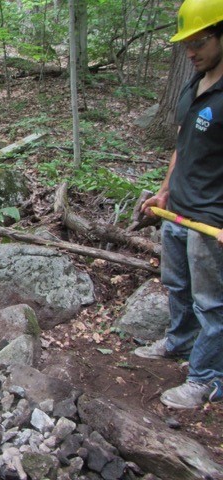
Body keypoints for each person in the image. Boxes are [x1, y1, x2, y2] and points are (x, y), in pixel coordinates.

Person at [134, 0, 223, 409]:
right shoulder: (196, 83)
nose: (190, 51)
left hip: (212, 218)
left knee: (211, 302)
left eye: (199, 41)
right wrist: (165, 191)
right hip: (179, 208)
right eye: (186, 42)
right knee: (178, 287)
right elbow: (183, 145)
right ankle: (180, 341)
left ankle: (207, 377)